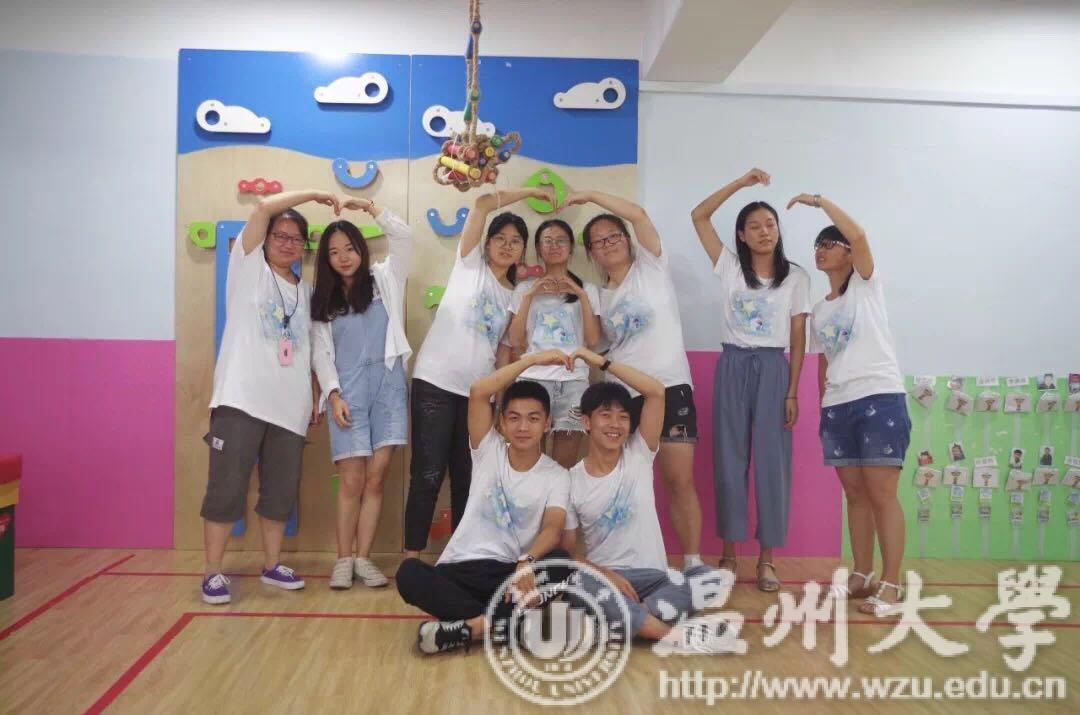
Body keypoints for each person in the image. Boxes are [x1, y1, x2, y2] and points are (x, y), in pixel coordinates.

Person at [200, 189, 341, 604]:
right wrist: (315, 194)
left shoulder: (309, 293)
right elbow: (262, 208)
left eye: (296, 239)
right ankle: (212, 572)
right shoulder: (247, 268)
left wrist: (322, 393)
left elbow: (317, 351)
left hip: (289, 411)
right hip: (240, 401)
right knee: (226, 489)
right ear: (265, 239)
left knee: (279, 493)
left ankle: (272, 564)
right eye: (280, 235)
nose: (287, 244)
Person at [404, 187, 552, 559]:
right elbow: (483, 203)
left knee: (468, 479)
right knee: (427, 475)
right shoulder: (469, 264)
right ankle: (411, 558)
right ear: (486, 243)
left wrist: (500, 401)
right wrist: (533, 191)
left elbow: (504, 351)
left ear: (522, 251)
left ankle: (461, 558)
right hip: (435, 382)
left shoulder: (515, 294)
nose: (507, 246)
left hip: (478, 396)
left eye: (515, 241)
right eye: (500, 238)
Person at [396, 351, 575, 654]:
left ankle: (472, 628)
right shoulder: (488, 450)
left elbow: (553, 527)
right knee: (409, 573)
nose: (523, 427)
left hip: (510, 574)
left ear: (548, 423)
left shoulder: (557, 475)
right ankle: (503, 625)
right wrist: (531, 361)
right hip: (459, 570)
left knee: (562, 562)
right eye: (514, 418)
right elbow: (479, 392)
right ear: (501, 423)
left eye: (533, 419)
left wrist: (527, 561)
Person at [561, 348, 736, 653]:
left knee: (711, 579)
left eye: (623, 417)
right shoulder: (570, 481)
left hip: (655, 579)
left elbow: (655, 391)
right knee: (577, 584)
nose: (615, 424)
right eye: (606, 415)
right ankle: (673, 635)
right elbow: (567, 554)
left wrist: (601, 362)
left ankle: (628, 619)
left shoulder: (639, 454)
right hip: (607, 579)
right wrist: (606, 576)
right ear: (586, 422)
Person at [569, 190, 704, 570]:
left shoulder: (651, 266)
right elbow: (596, 342)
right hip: (624, 394)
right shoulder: (599, 294)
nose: (608, 244)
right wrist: (580, 298)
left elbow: (639, 214)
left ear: (627, 240)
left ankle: (693, 563)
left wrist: (588, 195)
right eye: (598, 242)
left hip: (671, 386)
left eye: (613, 236)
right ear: (591, 253)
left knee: (678, 480)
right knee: (624, 482)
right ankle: (622, 561)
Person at [691, 168, 811, 591]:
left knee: (772, 464)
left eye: (770, 224)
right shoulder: (728, 267)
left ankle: (767, 559)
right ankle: (728, 554)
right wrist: (740, 183)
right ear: (741, 235)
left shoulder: (796, 277)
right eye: (755, 226)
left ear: (778, 230)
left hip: (774, 368)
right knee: (730, 460)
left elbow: (798, 336)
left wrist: (792, 391)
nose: (764, 232)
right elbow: (699, 216)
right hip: (733, 365)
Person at [791, 192, 911, 616]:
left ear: (846, 252)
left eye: (829, 244)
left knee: (882, 494)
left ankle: (892, 584)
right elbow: (824, 362)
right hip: (839, 406)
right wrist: (825, 406)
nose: (821, 251)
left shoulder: (866, 285)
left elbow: (858, 235)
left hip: (879, 396)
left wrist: (819, 201)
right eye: (817, 245)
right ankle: (862, 574)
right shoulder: (820, 310)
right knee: (855, 495)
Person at [310, 197, 412, 589]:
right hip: (348, 393)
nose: (343, 257)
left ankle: (364, 558)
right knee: (351, 481)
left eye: (350, 248)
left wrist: (370, 207)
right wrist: (333, 395)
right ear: (326, 259)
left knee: (376, 479)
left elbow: (404, 236)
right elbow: (321, 353)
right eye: (334, 252)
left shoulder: (385, 278)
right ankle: (343, 559)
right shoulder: (323, 299)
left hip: (388, 388)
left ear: (361, 249)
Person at [506, 218, 601, 468]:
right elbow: (516, 341)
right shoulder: (524, 290)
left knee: (563, 465)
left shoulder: (587, 289)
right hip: (532, 380)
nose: (554, 245)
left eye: (561, 240)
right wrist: (530, 295)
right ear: (538, 248)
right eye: (547, 241)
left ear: (571, 247)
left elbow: (593, 340)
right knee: (529, 462)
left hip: (573, 382)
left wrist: (580, 295)